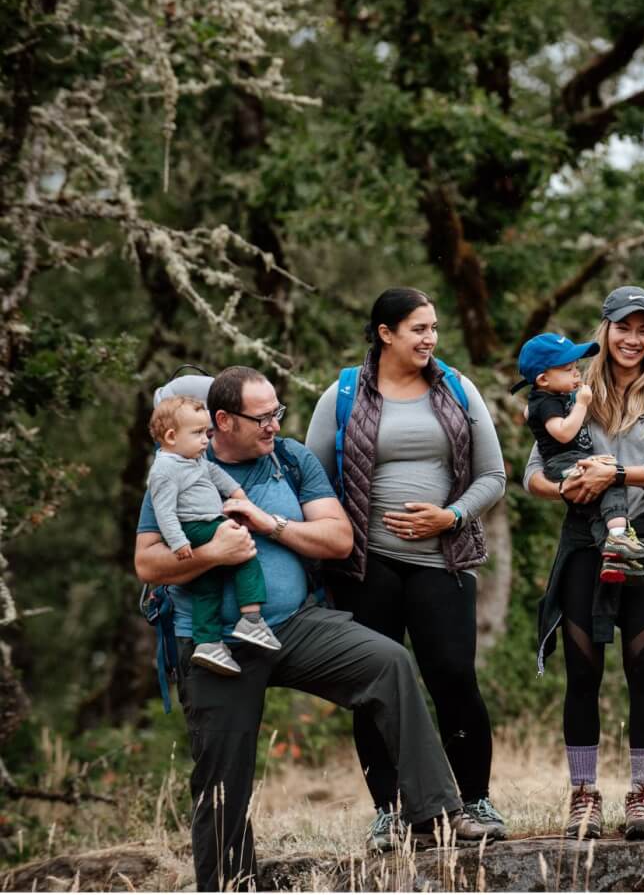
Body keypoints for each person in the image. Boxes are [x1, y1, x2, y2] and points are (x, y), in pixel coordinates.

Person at [134, 366, 486, 891]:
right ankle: (230, 883)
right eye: (262, 417)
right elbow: (147, 563)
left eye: (277, 412)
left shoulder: (292, 461)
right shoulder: (181, 467)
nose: (275, 424)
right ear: (222, 421)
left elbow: (339, 539)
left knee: (388, 662)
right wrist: (212, 553)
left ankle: (432, 815)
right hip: (215, 645)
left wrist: (268, 522)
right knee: (221, 778)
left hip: (294, 625)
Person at [305, 287, 509, 850]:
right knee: (374, 684)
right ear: (384, 333)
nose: (429, 339)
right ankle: (388, 812)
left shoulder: (457, 389)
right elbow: (313, 482)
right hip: (366, 566)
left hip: (444, 561)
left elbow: (494, 476)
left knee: (453, 677)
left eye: (434, 328)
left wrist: (451, 514)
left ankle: (475, 800)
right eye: (417, 328)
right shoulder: (342, 394)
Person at [522, 285, 644, 841]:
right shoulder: (573, 387)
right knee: (583, 672)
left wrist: (613, 475)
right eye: (624, 328)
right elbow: (532, 474)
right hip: (582, 544)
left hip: (643, 543)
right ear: (606, 329)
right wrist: (567, 488)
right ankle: (584, 796)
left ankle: (643, 795)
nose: (634, 340)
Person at [145, 395, 280, 675]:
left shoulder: (193, 459)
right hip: (197, 526)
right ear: (170, 437)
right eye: (197, 433)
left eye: (207, 432)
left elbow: (217, 475)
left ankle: (207, 644)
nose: (206, 440)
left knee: (207, 586)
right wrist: (178, 542)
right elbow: (165, 513)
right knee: (243, 550)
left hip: (203, 526)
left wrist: (239, 496)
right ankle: (251, 620)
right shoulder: (165, 470)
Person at [514, 331, 644, 582]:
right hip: (563, 465)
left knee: (596, 507)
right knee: (611, 479)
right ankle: (619, 536)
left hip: (572, 460)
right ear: (543, 379)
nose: (576, 374)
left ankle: (614, 559)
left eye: (577, 367)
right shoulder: (546, 403)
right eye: (568, 369)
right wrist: (582, 404)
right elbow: (563, 434)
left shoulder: (549, 397)